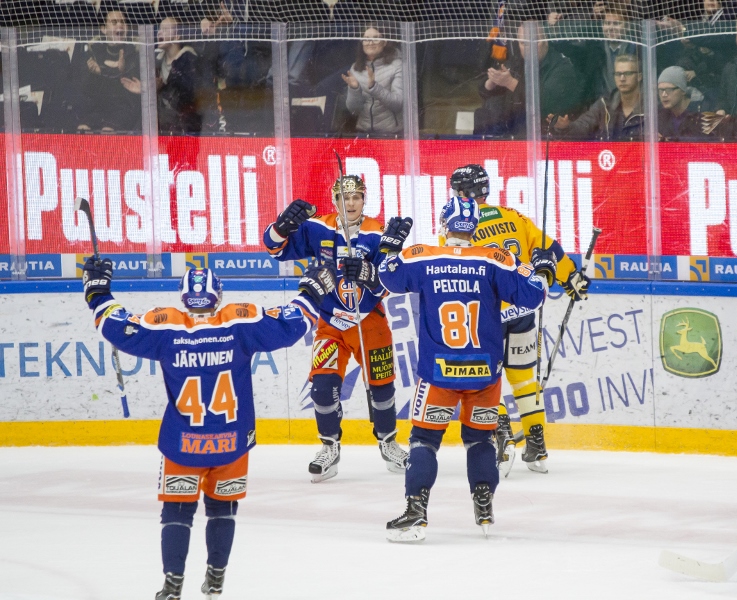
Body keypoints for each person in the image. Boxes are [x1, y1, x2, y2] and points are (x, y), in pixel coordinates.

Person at [81, 259, 335, 600]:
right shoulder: (239, 324)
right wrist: (310, 293)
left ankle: (172, 585)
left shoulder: (165, 330)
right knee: (222, 509)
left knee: (177, 511)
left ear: (183, 297)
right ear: (219, 295)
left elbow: (115, 326)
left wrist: (98, 292)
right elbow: (291, 324)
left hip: (184, 445)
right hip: (231, 443)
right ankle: (215, 579)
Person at [370, 196, 555, 542]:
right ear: (474, 230)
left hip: (439, 374)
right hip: (484, 375)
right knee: (479, 439)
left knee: (424, 440)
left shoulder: (423, 256)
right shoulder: (495, 258)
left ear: (444, 225)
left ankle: (416, 513)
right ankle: (484, 504)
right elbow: (534, 296)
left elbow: (388, 278)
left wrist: (389, 246)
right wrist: (543, 270)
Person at [263, 176, 409, 482]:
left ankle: (389, 442)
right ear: (335, 201)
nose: (351, 203)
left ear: (364, 200)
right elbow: (274, 249)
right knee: (322, 389)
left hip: (370, 322)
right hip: (331, 322)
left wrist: (370, 273)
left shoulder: (377, 232)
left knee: (382, 390)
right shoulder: (319, 227)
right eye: (345, 197)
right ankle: (330, 448)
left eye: (357, 197)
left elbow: (391, 283)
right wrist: (281, 226)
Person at [447, 164, 590, 475]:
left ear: (459, 193)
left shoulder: (457, 224)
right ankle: (537, 447)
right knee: (524, 379)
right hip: (524, 310)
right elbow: (549, 249)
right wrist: (571, 279)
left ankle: (501, 435)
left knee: (485, 379)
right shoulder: (514, 216)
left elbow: (451, 265)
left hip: (487, 315)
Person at [475, 21, 584, 137]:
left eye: (534, 42)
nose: (529, 48)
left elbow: (546, 104)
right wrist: (491, 82)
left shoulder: (563, 68)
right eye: (523, 43)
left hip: (545, 136)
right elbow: (485, 92)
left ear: (545, 40)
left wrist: (510, 83)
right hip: (513, 131)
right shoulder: (518, 61)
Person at [74, 9, 141, 132]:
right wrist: (95, 75)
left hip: (124, 108)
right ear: (103, 29)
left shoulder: (135, 51)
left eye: (123, 22)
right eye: (114, 22)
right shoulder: (93, 51)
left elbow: (136, 88)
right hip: (98, 108)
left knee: (107, 131)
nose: (120, 25)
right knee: (82, 129)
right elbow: (84, 89)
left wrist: (123, 71)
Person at [549, 53, 643, 140]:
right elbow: (583, 125)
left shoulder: (652, 108)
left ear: (639, 76)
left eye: (627, 73)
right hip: (608, 156)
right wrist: (566, 128)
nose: (622, 78)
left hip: (640, 157)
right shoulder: (604, 105)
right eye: (618, 74)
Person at [343, 25, 403, 134]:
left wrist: (374, 87)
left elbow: (398, 104)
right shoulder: (355, 68)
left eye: (375, 38)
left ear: (385, 42)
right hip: (363, 132)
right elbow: (354, 110)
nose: (370, 43)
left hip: (391, 135)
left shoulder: (397, 65)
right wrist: (354, 89)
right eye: (366, 39)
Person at [156, 17, 201, 135]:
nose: (159, 32)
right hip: (162, 129)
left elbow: (189, 93)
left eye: (165, 29)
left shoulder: (189, 61)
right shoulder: (155, 62)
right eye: (160, 29)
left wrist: (162, 88)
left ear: (177, 36)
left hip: (185, 130)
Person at [657, 66, 706, 140]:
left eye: (669, 89)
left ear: (683, 90)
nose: (664, 95)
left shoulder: (702, 112)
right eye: (661, 90)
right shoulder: (659, 115)